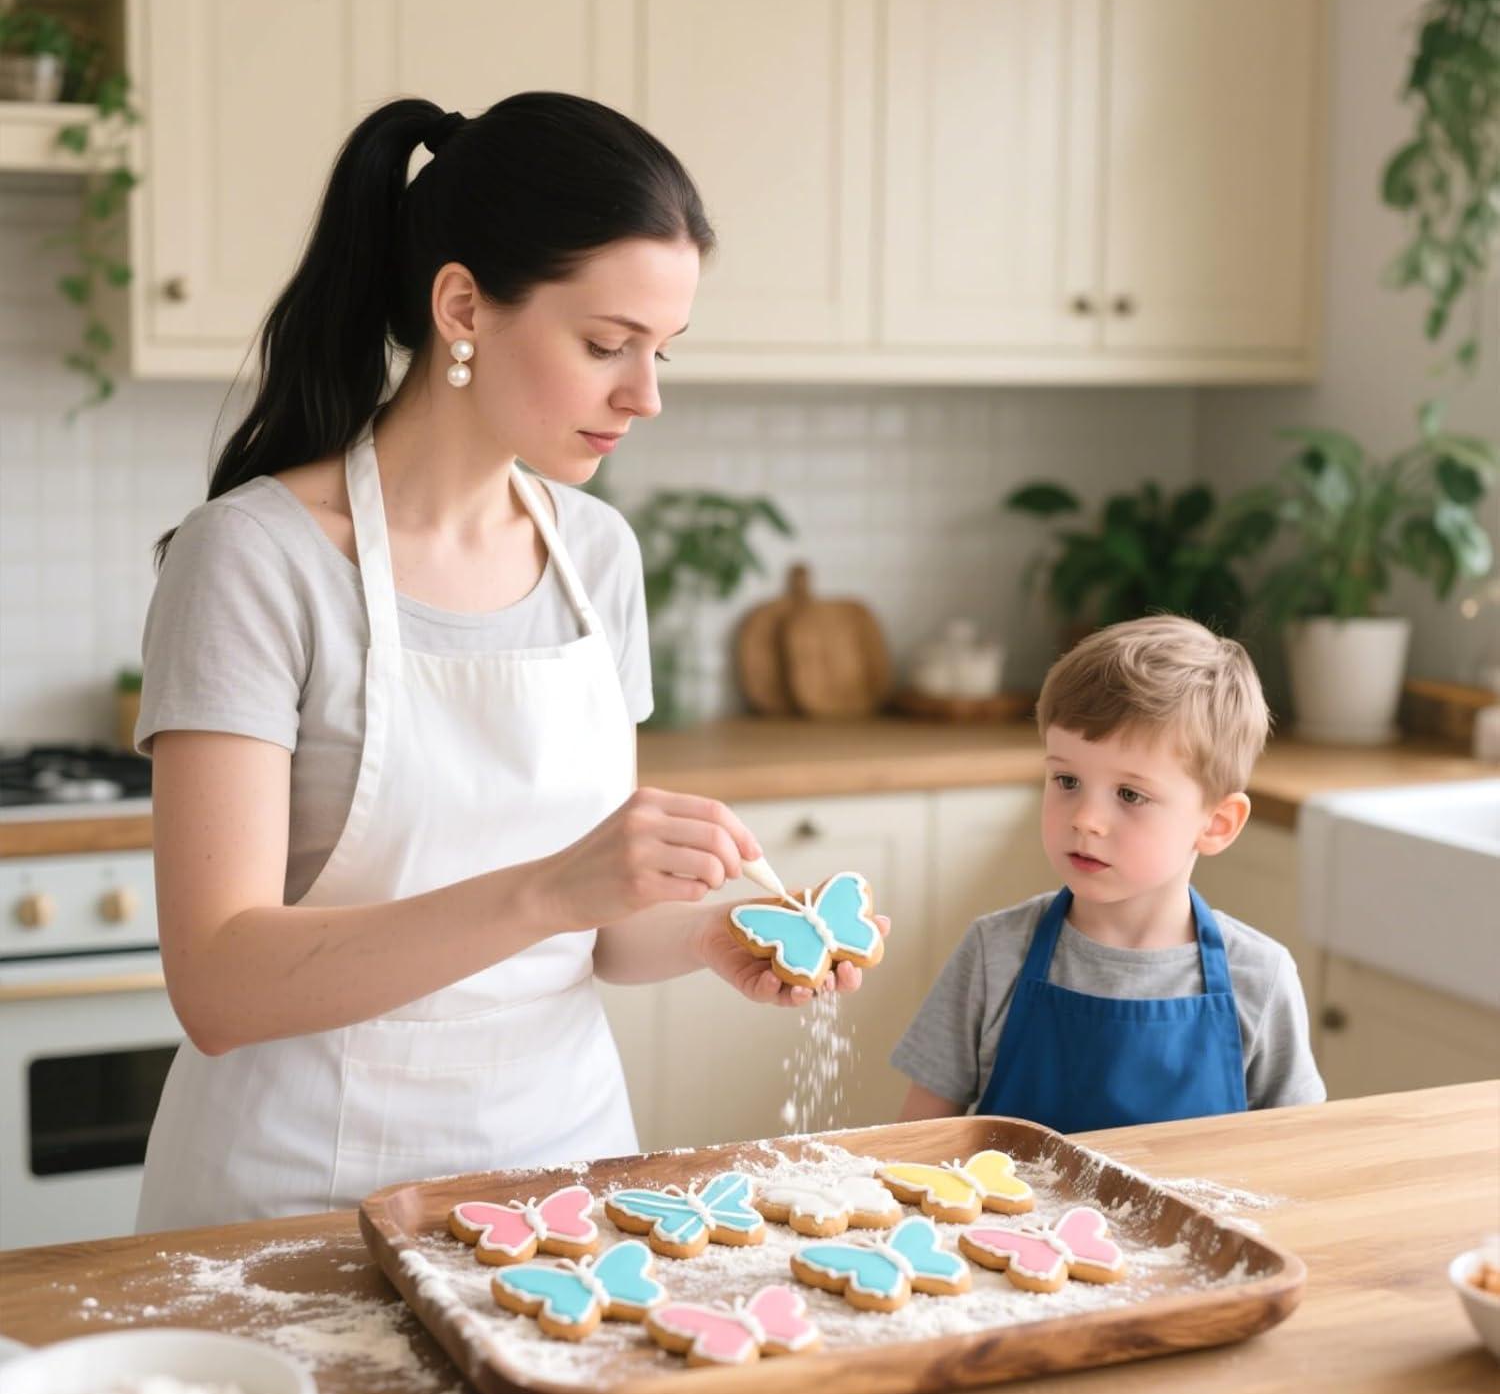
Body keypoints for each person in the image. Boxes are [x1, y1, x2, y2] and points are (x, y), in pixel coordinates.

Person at [134, 92, 874, 1233]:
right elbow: (221, 987)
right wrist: (551, 888)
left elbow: (586, 934)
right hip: (297, 1201)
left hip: (559, 1186)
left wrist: (708, 934)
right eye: (606, 344)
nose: (647, 394)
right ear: (463, 305)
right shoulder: (255, 560)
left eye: (663, 350)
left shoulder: (596, 556)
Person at [892, 615, 1324, 1134]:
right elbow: (911, 1149)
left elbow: (1297, 1160)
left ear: (1216, 824)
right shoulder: (994, 954)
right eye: (1067, 780)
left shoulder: (1260, 979)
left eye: (1130, 794)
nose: (1085, 819)